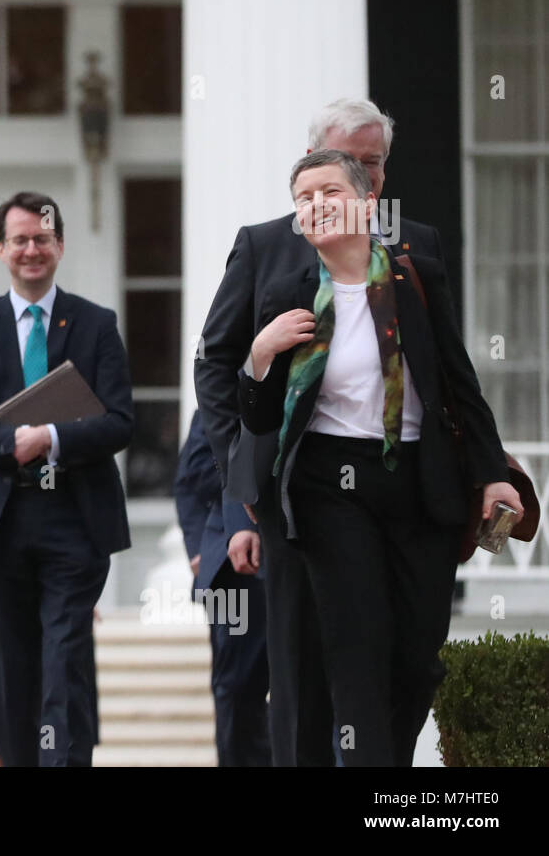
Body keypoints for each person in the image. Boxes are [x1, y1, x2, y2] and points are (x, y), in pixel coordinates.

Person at [239, 149, 520, 766]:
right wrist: (260, 356)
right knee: (356, 653)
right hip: (330, 489)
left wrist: (492, 476)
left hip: (422, 483)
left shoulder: (414, 279)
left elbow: (457, 379)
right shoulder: (289, 294)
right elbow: (259, 420)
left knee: (418, 660)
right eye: (303, 198)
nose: (315, 205)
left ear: (368, 203)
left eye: (329, 191)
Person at [193, 98, 449, 766]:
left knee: (398, 660)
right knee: (304, 671)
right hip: (290, 490)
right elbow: (217, 365)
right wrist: (243, 478)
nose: (364, 175)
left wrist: (485, 471)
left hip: (399, 485)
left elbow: (447, 376)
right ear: (313, 161)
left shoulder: (416, 246)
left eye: (375, 164)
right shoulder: (263, 244)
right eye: (347, 162)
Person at [0, 191, 133, 767]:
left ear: (60, 245)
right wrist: (11, 443)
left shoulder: (97, 324)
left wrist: (50, 437)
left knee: (64, 660)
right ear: (1, 249)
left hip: (75, 519)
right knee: (8, 671)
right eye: (20, 240)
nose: (31, 250)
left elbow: (121, 421)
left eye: (42, 239)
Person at [173, 409, 270, 767]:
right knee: (235, 689)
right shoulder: (225, 394)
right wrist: (198, 547)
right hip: (230, 571)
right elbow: (190, 476)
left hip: (303, 552)